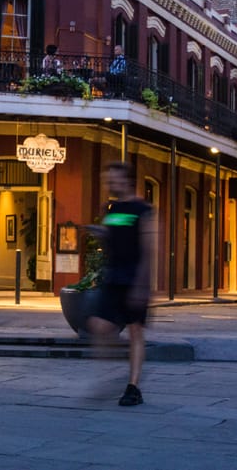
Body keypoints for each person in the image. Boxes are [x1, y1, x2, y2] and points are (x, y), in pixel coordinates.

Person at [86, 161, 155, 407]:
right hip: (114, 276)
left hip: (134, 277)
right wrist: (100, 232)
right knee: (98, 325)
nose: (110, 183)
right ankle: (121, 368)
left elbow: (148, 249)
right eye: (108, 180)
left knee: (136, 331)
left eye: (113, 179)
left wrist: (142, 285)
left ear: (126, 180)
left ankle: (133, 386)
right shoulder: (110, 208)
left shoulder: (142, 209)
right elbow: (111, 238)